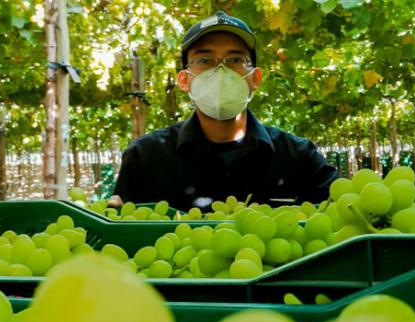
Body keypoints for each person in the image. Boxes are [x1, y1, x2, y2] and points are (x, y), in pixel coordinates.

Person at [109, 11, 337, 212]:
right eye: (205, 59)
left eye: (235, 59)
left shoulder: (300, 157)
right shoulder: (145, 158)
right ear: (184, 80)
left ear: (255, 78)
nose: (220, 71)